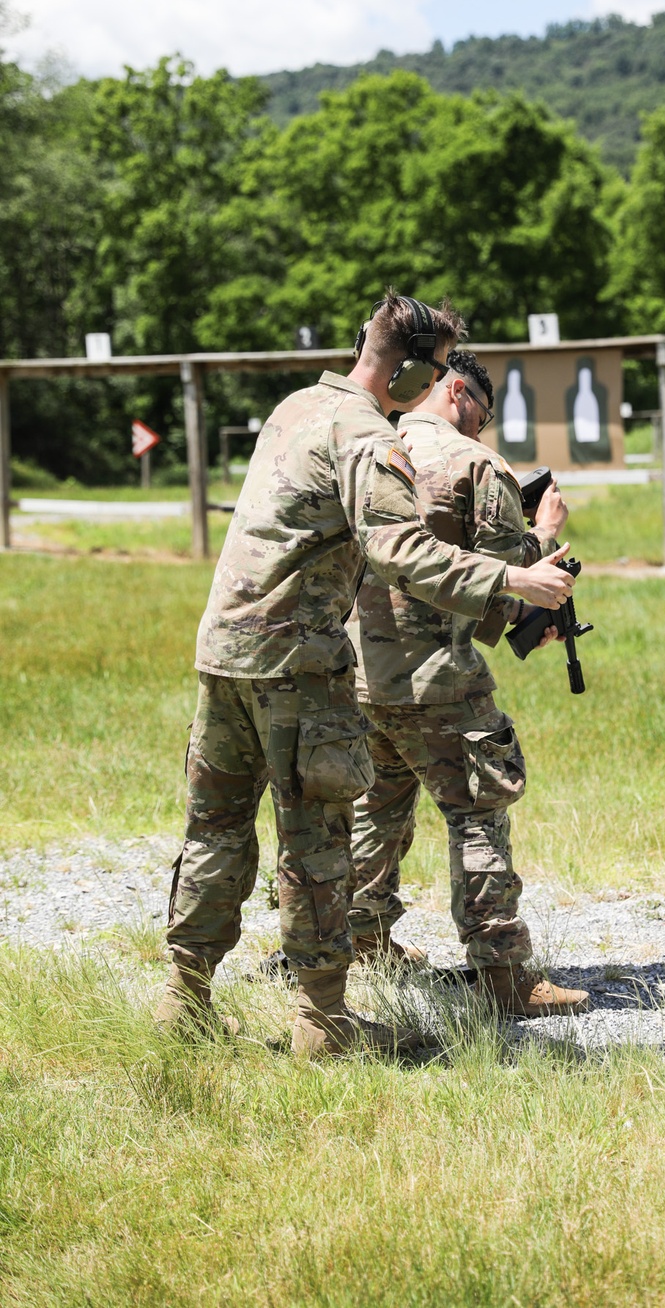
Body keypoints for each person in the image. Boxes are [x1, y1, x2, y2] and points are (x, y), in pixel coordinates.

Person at [155, 294, 576, 1057]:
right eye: (441, 367)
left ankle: (183, 1000)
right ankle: (324, 1026)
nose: (442, 381)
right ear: (415, 368)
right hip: (297, 662)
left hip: (223, 650)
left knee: (215, 829)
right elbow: (400, 552)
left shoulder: (294, 407)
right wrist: (515, 581)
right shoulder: (364, 434)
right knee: (315, 840)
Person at [348, 349, 590, 1017]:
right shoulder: (475, 464)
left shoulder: (375, 448)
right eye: (480, 412)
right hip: (438, 681)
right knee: (479, 813)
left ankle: (363, 941)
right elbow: (504, 578)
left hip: (362, 673)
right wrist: (543, 532)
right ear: (457, 390)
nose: (481, 429)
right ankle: (504, 975)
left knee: (377, 810)